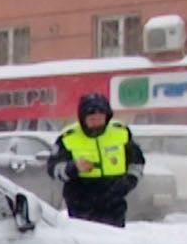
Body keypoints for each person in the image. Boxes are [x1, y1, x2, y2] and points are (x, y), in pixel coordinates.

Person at [47, 91, 145, 227]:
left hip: (114, 203)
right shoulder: (68, 138)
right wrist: (73, 168)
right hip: (81, 205)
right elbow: (53, 169)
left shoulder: (121, 132)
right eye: (92, 119)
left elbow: (137, 162)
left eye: (100, 118)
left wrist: (128, 182)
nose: (97, 123)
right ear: (83, 119)